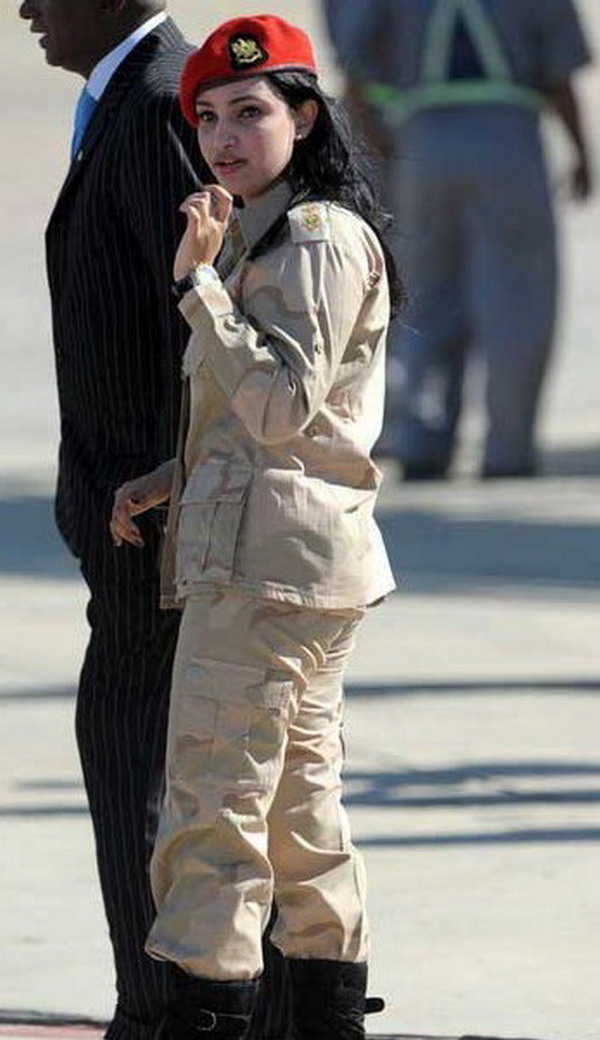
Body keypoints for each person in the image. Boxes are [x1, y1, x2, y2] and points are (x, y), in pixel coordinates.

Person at [110, 14, 398, 1039]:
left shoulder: (311, 238)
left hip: (266, 573)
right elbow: (278, 424)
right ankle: (322, 1016)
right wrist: (171, 478)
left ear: (305, 117)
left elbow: (280, 405)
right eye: (207, 118)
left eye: (249, 112)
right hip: (291, 558)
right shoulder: (272, 232)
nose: (223, 138)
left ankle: (208, 1011)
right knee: (294, 813)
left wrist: (196, 284)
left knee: (212, 810)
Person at [18, 2, 203, 1037]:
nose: (25, 8)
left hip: (161, 523)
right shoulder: (128, 96)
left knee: (143, 761)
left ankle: (170, 1009)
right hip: (131, 511)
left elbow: (207, 317)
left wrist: (173, 483)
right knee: (147, 756)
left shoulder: (165, 101)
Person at [323, 0, 593, 479]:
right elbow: (560, 73)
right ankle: (508, 450)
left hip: (423, 136)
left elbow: (357, 66)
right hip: (510, 136)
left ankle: (423, 441)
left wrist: (381, 144)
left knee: (425, 298)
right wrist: (581, 152)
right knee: (518, 300)